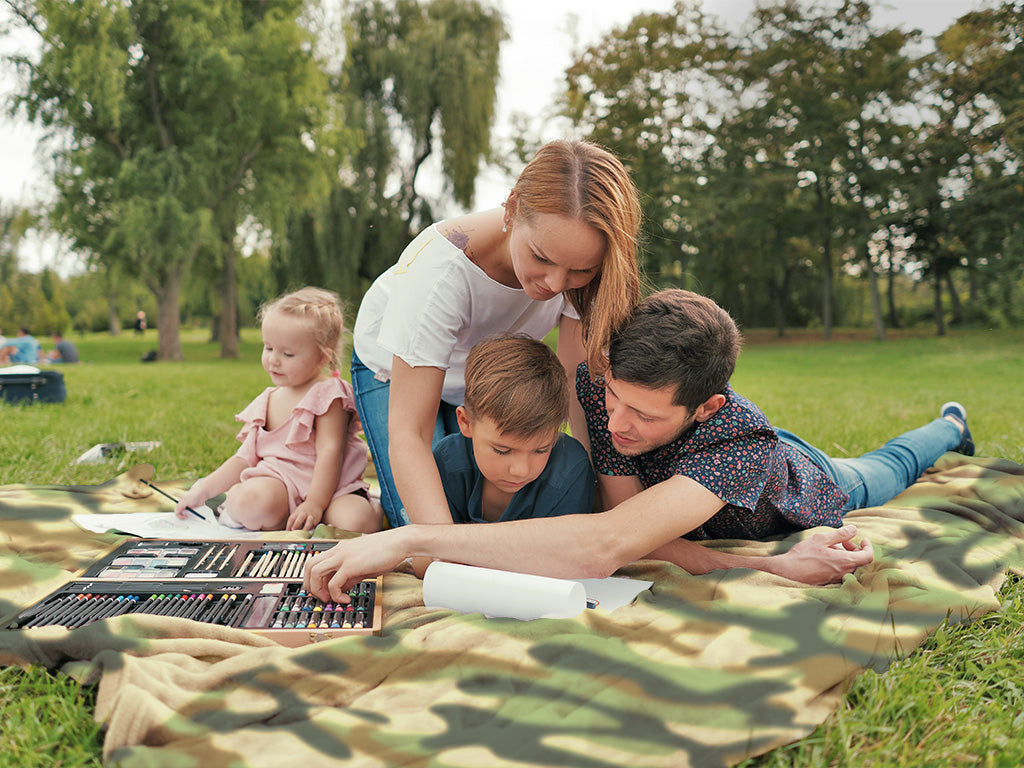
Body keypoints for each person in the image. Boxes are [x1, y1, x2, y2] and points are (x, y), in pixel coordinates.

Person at [305, 289, 976, 601]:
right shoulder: (608, 395)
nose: (615, 425)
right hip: (683, 505)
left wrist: (413, 539)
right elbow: (626, 529)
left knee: (887, 468)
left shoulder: (736, 441)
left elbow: (604, 544)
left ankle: (948, 426)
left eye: (644, 415)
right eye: (612, 400)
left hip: (800, 485)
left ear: (705, 406)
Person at [350, 138, 642, 531]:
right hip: (393, 368)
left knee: (503, 486)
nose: (556, 284)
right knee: (426, 515)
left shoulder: (578, 260)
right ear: (512, 207)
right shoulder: (440, 272)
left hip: (492, 380)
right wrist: (440, 553)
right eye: (541, 258)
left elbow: (576, 384)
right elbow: (409, 432)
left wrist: (596, 498)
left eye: (580, 271)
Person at [175, 287, 380, 533]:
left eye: (288, 353)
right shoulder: (268, 400)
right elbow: (243, 458)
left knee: (358, 523)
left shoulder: (329, 393)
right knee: (252, 503)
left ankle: (371, 510)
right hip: (281, 486)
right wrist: (203, 489)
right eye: (268, 348)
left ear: (324, 357)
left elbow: (330, 451)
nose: (273, 359)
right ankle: (260, 508)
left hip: (334, 489)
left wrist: (315, 503)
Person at [436, 334, 596, 525]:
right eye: (502, 450)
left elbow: (563, 551)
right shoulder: (446, 463)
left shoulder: (571, 470)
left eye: (541, 450)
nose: (521, 470)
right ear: (465, 422)